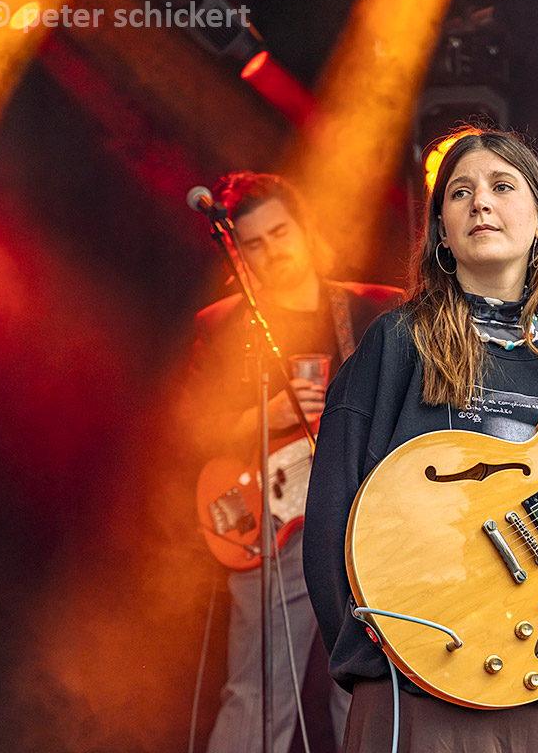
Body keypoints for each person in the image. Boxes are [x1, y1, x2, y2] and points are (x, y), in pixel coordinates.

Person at [302, 129, 538, 751]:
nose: (480, 201)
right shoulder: (397, 341)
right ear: (442, 232)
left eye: (501, 186)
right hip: (427, 681)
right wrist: (373, 655)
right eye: (459, 193)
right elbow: (331, 508)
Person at [184, 171, 403, 753]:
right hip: (277, 527)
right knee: (258, 693)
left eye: (281, 233)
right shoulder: (225, 325)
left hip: (366, 524)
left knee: (369, 689)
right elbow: (196, 435)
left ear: (306, 228)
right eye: (255, 243)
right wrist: (268, 414)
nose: (273, 251)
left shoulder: (377, 309)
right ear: (238, 253)